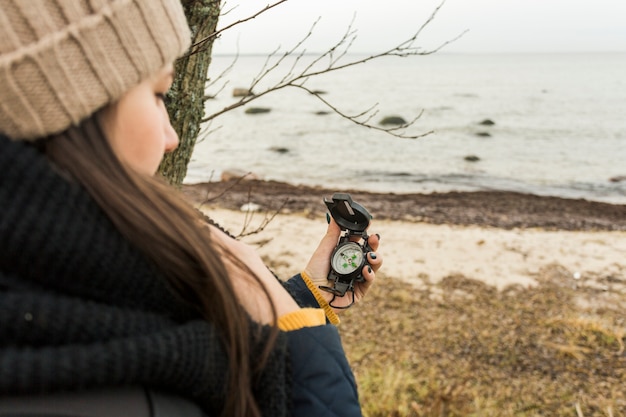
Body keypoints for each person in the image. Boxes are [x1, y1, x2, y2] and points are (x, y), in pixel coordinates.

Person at [0, 1, 383, 417]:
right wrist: (295, 331)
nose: (171, 137)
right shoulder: (115, 387)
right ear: (71, 106)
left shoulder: (84, 292)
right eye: (158, 93)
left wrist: (305, 295)